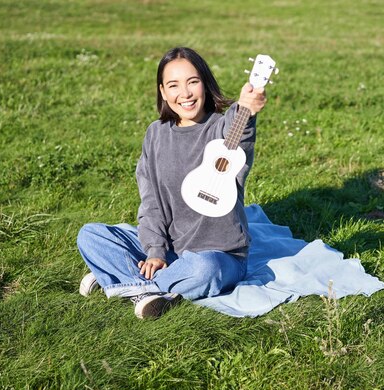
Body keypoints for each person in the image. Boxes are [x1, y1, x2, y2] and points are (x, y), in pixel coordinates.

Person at [76, 46, 267, 318]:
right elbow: (151, 199)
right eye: (173, 85)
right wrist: (155, 251)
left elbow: (241, 131)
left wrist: (247, 108)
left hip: (219, 255)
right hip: (170, 247)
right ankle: (147, 287)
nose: (185, 94)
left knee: (205, 270)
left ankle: (123, 281)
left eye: (193, 82)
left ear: (205, 84)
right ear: (163, 92)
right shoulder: (155, 134)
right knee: (90, 235)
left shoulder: (222, 129)